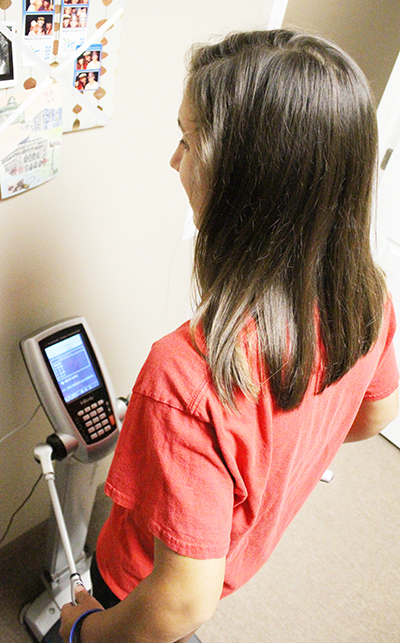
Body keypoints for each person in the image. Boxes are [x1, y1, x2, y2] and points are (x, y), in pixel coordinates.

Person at [60, 29, 399, 643]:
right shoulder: (368, 295)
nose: (173, 159)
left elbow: (179, 604)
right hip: (238, 558)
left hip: (135, 584)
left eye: (187, 140)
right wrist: (280, 459)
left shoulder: (184, 376)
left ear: (242, 180)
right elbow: (377, 413)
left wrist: (86, 628)